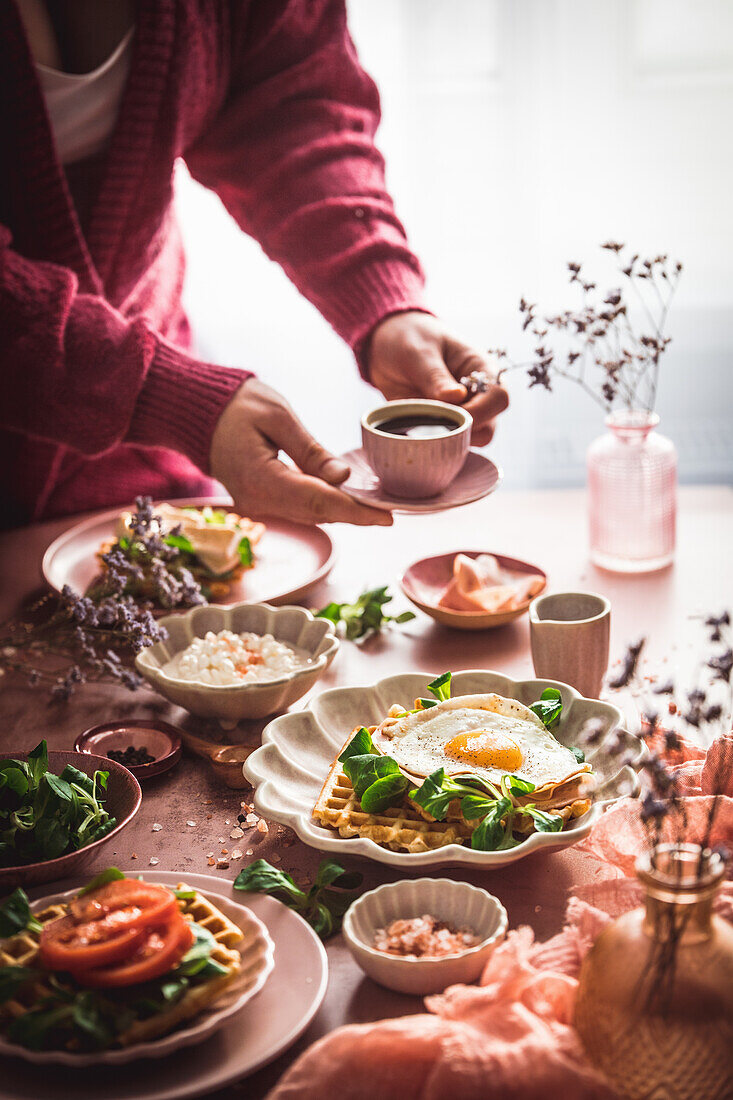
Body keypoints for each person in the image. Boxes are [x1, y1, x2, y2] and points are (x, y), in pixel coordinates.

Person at [1, 0, 508, 531]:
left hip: (148, 454)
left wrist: (385, 304)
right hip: (148, 405)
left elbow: (289, 106)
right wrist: (159, 394)